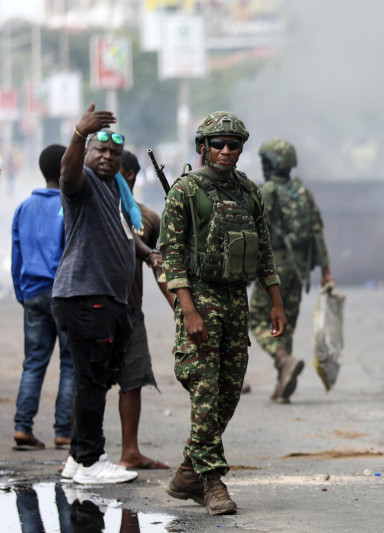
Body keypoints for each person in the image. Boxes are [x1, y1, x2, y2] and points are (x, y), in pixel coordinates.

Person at [159, 111, 287, 515]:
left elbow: (264, 249)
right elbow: (171, 255)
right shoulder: (185, 191)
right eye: (218, 144)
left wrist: (276, 301)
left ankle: (187, 473)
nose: (226, 151)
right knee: (205, 390)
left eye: (234, 145)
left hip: (236, 300)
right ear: (203, 147)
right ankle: (212, 481)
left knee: (229, 392)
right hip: (200, 297)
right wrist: (188, 310)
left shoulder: (249, 191)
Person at [53, 102, 158, 484]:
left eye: (115, 152)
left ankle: (75, 459)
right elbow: (66, 173)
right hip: (87, 295)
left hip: (105, 298)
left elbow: (126, 235)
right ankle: (90, 461)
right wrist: (79, 134)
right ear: (88, 153)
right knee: (93, 381)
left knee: (94, 378)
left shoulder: (114, 190)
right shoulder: (81, 182)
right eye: (101, 150)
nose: (108, 157)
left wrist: (149, 255)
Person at [250, 138, 332, 403]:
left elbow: (256, 231)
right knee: (284, 322)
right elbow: (317, 232)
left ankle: (284, 361)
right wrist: (325, 271)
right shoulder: (302, 191)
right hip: (299, 268)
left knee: (257, 321)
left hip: (273, 265)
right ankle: (282, 382)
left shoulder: (267, 191)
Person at [11, 144, 74, 452]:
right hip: (63, 294)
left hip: (32, 292)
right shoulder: (67, 204)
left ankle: (23, 427)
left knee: (33, 363)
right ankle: (63, 431)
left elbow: (17, 256)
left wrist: (22, 293)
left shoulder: (24, 207)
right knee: (70, 363)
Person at [115, 150, 174, 470]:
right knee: (87, 380)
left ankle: (130, 452)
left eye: (119, 168)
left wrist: (180, 307)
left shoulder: (147, 218)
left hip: (131, 310)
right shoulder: (89, 207)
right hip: (95, 309)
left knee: (133, 379)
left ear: (131, 176)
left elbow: (160, 266)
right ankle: (78, 454)